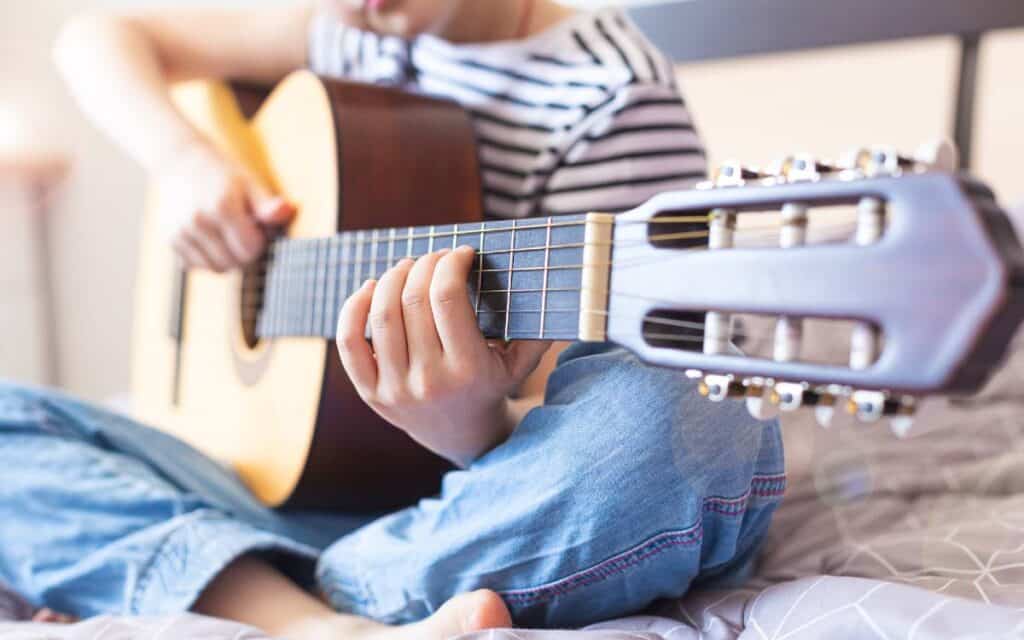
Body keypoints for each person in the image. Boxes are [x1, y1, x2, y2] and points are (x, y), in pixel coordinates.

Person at [0, 1, 785, 638]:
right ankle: (314, 622)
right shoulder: (352, 27)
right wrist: (181, 160)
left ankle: (222, 579)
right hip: (290, 486)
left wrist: (466, 424)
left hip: (457, 508)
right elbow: (98, 37)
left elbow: (583, 421)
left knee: (697, 420)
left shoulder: (614, 99)